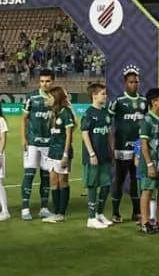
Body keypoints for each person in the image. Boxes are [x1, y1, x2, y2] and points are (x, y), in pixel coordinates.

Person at [108, 68, 145, 223]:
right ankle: (115, 213)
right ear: (125, 83)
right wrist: (112, 147)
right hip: (122, 147)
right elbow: (109, 126)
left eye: (136, 81)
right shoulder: (118, 101)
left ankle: (137, 212)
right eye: (131, 82)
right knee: (120, 179)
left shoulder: (144, 101)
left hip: (138, 147)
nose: (134, 84)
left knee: (137, 179)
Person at [20, 69, 53, 220]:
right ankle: (25, 209)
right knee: (29, 174)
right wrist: (23, 139)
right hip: (33, 142)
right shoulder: (31, 97)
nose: (44, 84)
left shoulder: (56, 98)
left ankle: (44, 208)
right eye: (42, 81)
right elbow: (24, 119)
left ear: (52, 82)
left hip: (49, 143)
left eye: (47, 81)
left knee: (46, 176)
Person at [137, 87, 159, 235]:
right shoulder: (147, 120)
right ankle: (145, 222)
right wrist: (150, 164)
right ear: (153, 102)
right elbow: (144, 144)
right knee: (147, 191)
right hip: (150, 162)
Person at [80, 82, 114, 229]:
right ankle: (91, 217)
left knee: (106, 185)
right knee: (93, 185)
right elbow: (85, 133)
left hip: (104, 154)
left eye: (105, 94)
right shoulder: (88, 113)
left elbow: (107, 134)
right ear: (94, 96)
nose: (105, 96)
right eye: (103, 94)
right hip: (93, 156)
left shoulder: (105, 113)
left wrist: (111, 150)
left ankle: (100, 213)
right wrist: (91, 153)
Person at [43, 85, 76, 223]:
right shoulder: (53, 113)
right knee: (53, 182)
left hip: (62, 153)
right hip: (52, 152)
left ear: (56, 98)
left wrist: (65, 155)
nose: (48, 99)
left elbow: (69, 136)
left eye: (50, 97)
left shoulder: (66, 113)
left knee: (63, 182)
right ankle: (56, 212)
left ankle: (61, 213)